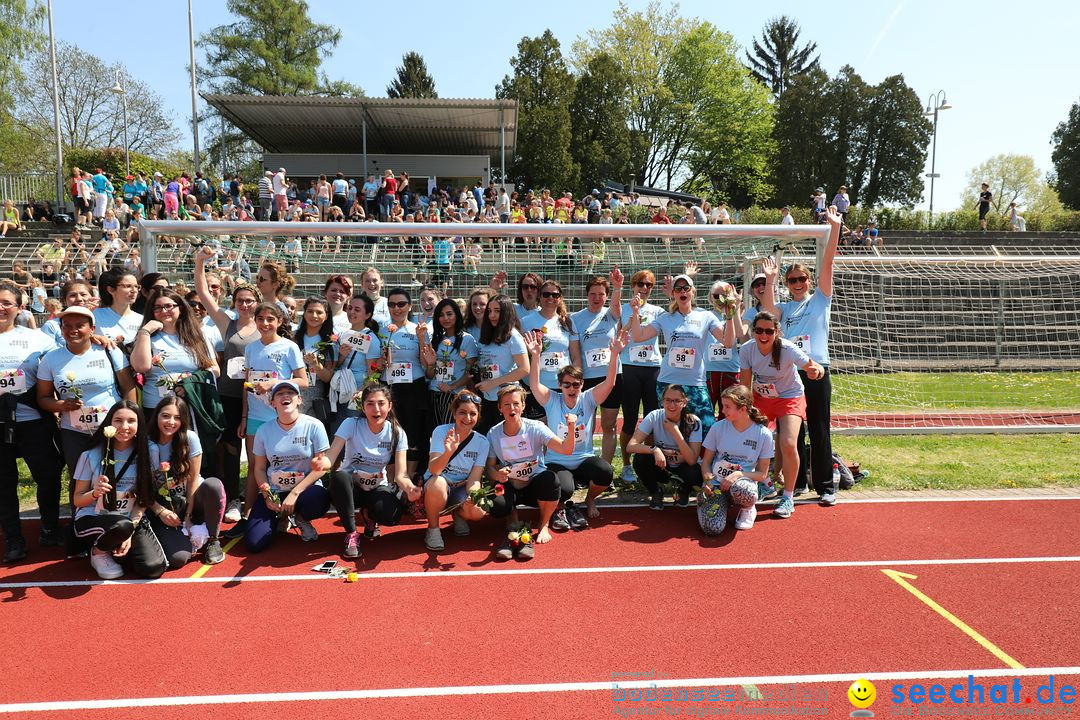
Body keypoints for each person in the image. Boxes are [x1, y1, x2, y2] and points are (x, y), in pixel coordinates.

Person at [762, 206, 841, 504]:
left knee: (819, 428)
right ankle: (799, 483)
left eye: (801, 279)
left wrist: (834, 229)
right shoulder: (786, 308)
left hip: (817, 369)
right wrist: (770, 279)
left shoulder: (820, 298)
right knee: (794, 431)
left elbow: (828, 262)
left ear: (809, 280)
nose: (797, 284)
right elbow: (768, 313)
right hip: (791, 374)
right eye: (792, 280)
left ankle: (825, 486)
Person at [526, 330, 626, 527]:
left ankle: (589, 499)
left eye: (576, 385)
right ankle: (562, 507)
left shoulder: (588, 398)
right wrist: (536, 355)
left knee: (605, 472)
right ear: (559, 385)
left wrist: (614, 354)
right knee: (565, 489)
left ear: (582, 385)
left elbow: (610, 382)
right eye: (567, 385)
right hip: (558, 460)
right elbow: (534, 385)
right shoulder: (552, 400)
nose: (571, 389)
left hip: (583, 459)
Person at [195, 248, 261, 525]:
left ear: (257, 302)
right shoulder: (227, 323)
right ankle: (232, 497)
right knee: (229, 448)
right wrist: (200, 263)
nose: (244, 305)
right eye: (240, 301)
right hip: (228, 395)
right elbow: (204, 296)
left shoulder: (267, 326)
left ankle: (256, 497)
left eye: (249, 301)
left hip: (257, 397)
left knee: (257, 449)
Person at [0, 282, 64, 562]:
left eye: (6, 303)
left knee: (48, 476)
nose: (1, 308)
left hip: (34, 422)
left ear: (19, 307)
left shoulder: (39, 340)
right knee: (3, 484)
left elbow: (64, 360)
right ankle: (14, 539)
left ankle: (49, 528)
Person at [738, 311, 824, 519]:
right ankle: (765, 483)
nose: (763, 335)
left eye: (769, 331)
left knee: (787, 443)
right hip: (761, 398)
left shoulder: (787, 348)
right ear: (753, 332)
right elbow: (745, 385)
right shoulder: (747, 349)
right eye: (759, 331)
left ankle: (788, 497)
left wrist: (816, 372)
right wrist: (744, 410)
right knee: (752, 441)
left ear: (776, 332)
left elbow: (815, 367)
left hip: (789, 397)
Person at [628, 273, 734, 436]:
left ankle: (700, 461)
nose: (682, 291)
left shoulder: (706, 316)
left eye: (686, 288)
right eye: (678, 289)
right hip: (668, 382)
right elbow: (638, 336)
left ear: (693, 292)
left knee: (707, 427)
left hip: (695, 383)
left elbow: (728, 342)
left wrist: (729, 316)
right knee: (669, 431)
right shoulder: (666, 318)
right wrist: (635, 313)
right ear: (673, 293)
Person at [71, 400, 164, 579]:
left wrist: (129, 530)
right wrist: (95, 492)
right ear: (109, 423)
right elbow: (77, 500)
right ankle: (98, 552)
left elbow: (143, 497)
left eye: (131, 421)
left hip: (129, 519)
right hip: (94, 518)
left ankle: (118, 544)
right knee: (120, 526)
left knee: (153, 568)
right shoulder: (91, 453)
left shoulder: (149, 450)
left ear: (140, 424)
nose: (124, 426)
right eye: (118, 420)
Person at [484, 384, 576, 557]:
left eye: (516, 404)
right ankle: (514, 524)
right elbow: (489, 468)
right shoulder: (493, 433)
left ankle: (543, 525)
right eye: (507, 404)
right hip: (511, 483)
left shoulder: (536, 427)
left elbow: (566, 449)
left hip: (536, 481)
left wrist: (571, 428)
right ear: (499, 408)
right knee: (497, 507)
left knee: (550, 479)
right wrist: (497, 474)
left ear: (523, 406)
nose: (512, 408)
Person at [326, 383, 416, 557]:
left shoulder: (397, 433)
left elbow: (401, 475)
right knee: (338, 477)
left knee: (392, 516)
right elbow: (331, 457)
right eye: (370, 403)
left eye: (381, 403)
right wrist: (322, 463)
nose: (376, 409)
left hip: (376, 486)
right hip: (351, 487)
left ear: (389, 406)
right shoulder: (351, 424)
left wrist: (410, 488)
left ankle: (369, 516)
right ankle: (352, 534)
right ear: (363, 407)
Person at [245, 380, 331, 551]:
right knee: (254, 544)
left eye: (290, 393)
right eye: (279, 394)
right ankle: (281, 517)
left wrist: (295, 492)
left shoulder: (314, 426)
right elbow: (259, 469)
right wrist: (268, 495)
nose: (285, 396)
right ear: (272, 402)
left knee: (319, 498)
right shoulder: (263, 430)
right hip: (275, 492)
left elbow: (322, 467)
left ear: (299, 399)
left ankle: (300, 518)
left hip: (305, 491)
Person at [145, 396, 226, 567]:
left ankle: (213, 539)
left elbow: (193, 480)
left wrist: (188, 517)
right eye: (165, 416)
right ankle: (187, 536)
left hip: (191, 500)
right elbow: (142, 487)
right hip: (163, 506)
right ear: (156, 416)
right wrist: (160, 511)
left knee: (213, 485)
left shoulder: (190, 438)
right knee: (178, 559)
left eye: (177, 417)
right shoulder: (146, 442)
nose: (171, 422)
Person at [698, 385, 775, 535]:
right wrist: (707, 481)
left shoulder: (763, 434)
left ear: (743, 408)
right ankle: (716, 503)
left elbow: (762, 474)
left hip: (742, 485)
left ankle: (748, 508)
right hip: (716, 486)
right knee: (712, 529)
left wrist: (739, 475)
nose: (722, 410)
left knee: (743, 489)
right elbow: (706, 462)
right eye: (723, 405)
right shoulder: (717, 428)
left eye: (727, 406)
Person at [130, 288, 219, 415]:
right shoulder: (146, 337)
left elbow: (215, 369)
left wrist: (191, 382)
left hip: (191, 403)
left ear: (181, 308)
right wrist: (145, 332)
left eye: (168, 306)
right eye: (158, 308)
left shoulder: (198, 336)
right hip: (155, 406)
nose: (164, 311)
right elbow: (141, 367)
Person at [421, 392, 489, 551]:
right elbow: (435, 469)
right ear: (454, 413)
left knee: (478, 511)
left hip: (460, 487)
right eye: (462, 412)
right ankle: (433, 529)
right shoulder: (441, 431)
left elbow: (474, 478)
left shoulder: (482, 442)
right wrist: (448, 452)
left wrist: (473, 496)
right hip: (438, 484)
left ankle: (458, 513)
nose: (468, 418)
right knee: (437, 483)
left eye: (473, 413)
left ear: (478, 416)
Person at [570, 271, 624, 463]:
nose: (597, 298)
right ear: (587, 295)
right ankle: (585, 463)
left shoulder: (611, 314)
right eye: (593, 294)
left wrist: (617, 287)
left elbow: (617, 305)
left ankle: (606, 469)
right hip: (588, 378)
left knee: (609, 425)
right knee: (586, 424)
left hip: (611, 377)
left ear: (606, 297)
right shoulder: (575, 318)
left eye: (601, 294)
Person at [625, 384, 703, 510]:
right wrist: (654, 449)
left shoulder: (693, 422)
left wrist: (675, 432)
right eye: (668, 400)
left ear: (684, 402)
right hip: (663, 466)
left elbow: (692, 460)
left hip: (684, 468)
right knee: (640, 459)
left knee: (695, 472)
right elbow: (631, 446)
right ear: (662, 401)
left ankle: (684, 491)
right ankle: (656, 491)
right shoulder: (654, 416)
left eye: (677, 401)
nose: (672, 405)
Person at [617, 270, 662, 485]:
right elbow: (619, 335)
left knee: (653, 419)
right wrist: (633, 314)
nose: (644, 288)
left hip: (652, 367)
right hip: (629, 368)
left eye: (649, 285)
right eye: (640, 284)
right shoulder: (623, 309)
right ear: (633, 286)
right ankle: (626, 465)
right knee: (630, 420)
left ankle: (650, 462)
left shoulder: (658, 311)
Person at [380, 287, 431, 477]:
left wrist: (420, 338)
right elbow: (377, 363)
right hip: (389, 387)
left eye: (401, 304)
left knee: (413, 433)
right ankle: (392, 481)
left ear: (410, 306)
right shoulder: (382, 329)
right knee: (390, 433)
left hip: (413, 388)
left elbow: (426, 364)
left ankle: (408, 479)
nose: (397, 308)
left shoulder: (419, 329)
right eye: (392, 304)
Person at [520, 279, 580, 419]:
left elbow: (575, 356)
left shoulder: (567, 322)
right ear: (539, 297)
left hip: (562, 386)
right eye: (546, 294)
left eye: (555, 295)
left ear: (560, 298)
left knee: (562, 428)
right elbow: (521, 355)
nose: (550, 298)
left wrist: (575, 382)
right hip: (537, 385)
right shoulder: (526, 322)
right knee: (539, 430)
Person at [475, 294, 529, 433]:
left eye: (497, 311)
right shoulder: (488, 334)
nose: (492, 315)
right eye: (490, 311)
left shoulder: (513, 336)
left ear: (506, 312)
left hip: (507, 399)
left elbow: (524, 369)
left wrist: (493, 383)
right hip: (488, 397)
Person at [419, 298, 478, 426]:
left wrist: (453, 386)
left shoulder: (467, 340)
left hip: (454, 395)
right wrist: (430, 363)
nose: (445, 318)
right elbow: (430, 374)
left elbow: (470, 373)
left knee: (450, 432)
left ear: (457, 315)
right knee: (436, 433)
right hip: (434, 393)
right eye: (441, 315)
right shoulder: (435, 339)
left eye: (449, 314)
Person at [332, 294, 384, 425]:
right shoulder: (343, 334)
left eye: (357, 309)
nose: (351, 312)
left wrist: (361, 392)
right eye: (349, 308)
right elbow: (336, 365)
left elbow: (373, 373)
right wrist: (342, 355)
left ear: (367, 315)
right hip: (341, 391)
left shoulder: (370, 339)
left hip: (357, 394)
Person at [704, 280, 746, 415]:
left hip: (730, 370)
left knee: (729, 412)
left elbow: (740, 334)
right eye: (717, 296)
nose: (721, 299)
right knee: (706, 409)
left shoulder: (733, 313)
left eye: (725, 295)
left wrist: (736, 307)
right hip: (709, 370)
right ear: (711, 297)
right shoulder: (706, 316)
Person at [295, 298, 336, 429]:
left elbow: (327, 377)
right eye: (310, 311)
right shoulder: (293, 337)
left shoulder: (331, 341)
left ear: (326, 316)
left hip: (316, 396)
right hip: (294, 392)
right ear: (304, 313)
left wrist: (316, 364)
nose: (314, 316)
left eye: (319, 312)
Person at [93, 269, 143, 348]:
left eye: (136, 286)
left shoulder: (141, 319)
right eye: (128, 286)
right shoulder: (95, 315)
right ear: (111, 290)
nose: (134, 291)